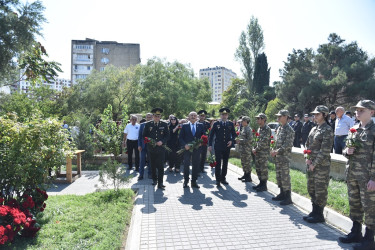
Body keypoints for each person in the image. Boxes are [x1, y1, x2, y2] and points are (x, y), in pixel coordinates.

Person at [339, 100, 375, 249]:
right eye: (357, 110)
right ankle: (355, 232)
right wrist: (346, 151)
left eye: (362, 110)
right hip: (352, 174)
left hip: (367, 177)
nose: (357, 112)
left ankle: (369, 240)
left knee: (370, 207)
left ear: (372, 112)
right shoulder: (354, 129)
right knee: (354, 204)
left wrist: (374, 178)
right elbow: (345, 150)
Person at [303, 105, 334, 223]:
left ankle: (319, 215)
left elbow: (325, 150)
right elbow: (307, 145)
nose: (314, 116)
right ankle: (314, 211)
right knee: (311, 188)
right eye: (314, 114)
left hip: (321, 166)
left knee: (320, 190)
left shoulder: (327, 130)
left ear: (324, 115)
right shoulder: (314, 128)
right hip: (310, 164)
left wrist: (314, 163)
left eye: (317, 114)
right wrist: (307, 157)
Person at [270, 110, 295, 205]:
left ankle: (288, 198)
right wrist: (273, 149)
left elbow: (288, 144)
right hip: (278, 157)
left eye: (280, 116)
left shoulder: (289, 130)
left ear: (285, 117)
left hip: (284, 157)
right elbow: (277, 142)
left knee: (285, 177)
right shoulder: (280, 128)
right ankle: (282, 194)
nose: (278, 118)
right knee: (279, 176)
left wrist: (277, 151)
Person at [208, 107, 237, 187]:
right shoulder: (216, 124)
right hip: (218, 146)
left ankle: (223, 178)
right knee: (218, 163)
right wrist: (210, 145)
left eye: (226, 115)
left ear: (227, 115)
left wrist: (231, 140)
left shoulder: (230, 124)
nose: (224, 116)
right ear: (220, 115)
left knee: (225, 163)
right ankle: (217, 179)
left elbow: (234, 134)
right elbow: (211, 135)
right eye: (223, 115)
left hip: (227, 146)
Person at [142, 108, 170, 190]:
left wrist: (162, 141)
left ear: (160, 116)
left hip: (161, 149)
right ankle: (155, 180)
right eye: (155, 116)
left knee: (161, 166)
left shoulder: (164, 124)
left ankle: (160, 183)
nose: (157, 117)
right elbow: (144, 136)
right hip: (151, 149)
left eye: (158, 116)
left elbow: (167, 136)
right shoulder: (148, 124)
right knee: (153, 165)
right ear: (153, 116)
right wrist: (151, 142)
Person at [179, 111, 205, 188]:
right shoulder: (184, 126)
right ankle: (186, 181)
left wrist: (201, 142)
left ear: (197, 117)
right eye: (191, 115)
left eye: (194, 115)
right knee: (186, 165)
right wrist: (185, 145)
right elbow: (180, 138)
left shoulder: (201, 125)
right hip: (187, 149)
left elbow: (204, 136)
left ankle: (194, 181)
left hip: (197, 149)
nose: (193, 117)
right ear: (189, 117)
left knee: (195, 165)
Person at [252, 113, 272, 192]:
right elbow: (257, 140)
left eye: (258, 118)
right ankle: (260, 183)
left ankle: (264, 185)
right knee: (258, 168)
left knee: (263, 169)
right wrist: (254, 148)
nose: (257, 120)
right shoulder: (259, 128)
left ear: (263, 119)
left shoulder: (267, 129)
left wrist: (256, 149)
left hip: (263, 152)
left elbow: (263, 141)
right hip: (258, 152)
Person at [236, 116, 253, 183]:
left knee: (247, 163)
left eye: (242, 121)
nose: (241, 122)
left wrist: (241, 141)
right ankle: (245, 174)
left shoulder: (248, 129)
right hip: (243, 149)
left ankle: (248, 176)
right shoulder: (244, 128)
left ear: (246, 122)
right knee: (243, 162)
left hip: (247, 149)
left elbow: (250, 140)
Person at [138, 113, 153, 180]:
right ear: (146, 118)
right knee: (142, 161)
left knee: (150, 160)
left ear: (152, 118)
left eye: (150, 117)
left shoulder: (154, 125)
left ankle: (150, 174)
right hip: (143, 146)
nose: (149, 118)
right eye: (148, 117)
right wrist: (139, 145)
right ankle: (141, 175)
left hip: (151, 146)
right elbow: (139, 136)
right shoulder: (142, 125)